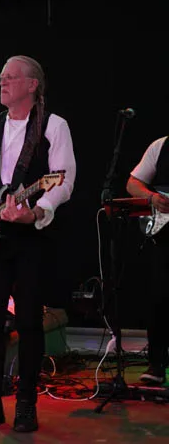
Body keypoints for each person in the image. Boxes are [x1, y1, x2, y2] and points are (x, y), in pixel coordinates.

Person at [0, 55, 76, 432]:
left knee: (28, 321)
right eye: (1, 78)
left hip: (31, 239)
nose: (2, 83)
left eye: (10, 77)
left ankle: (26, 404)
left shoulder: (53, 126)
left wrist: (36, 212)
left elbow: (63, 181)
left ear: (32, 85)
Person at [126, 136, 169, 385]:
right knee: (159, 297)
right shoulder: (160, 146)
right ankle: (156, 364)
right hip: (164, 238)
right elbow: (133, 183)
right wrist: (152, 198)